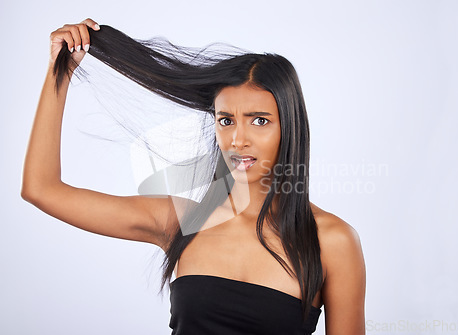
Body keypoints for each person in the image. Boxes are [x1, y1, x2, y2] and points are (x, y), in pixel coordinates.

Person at [21, 18, 366, 334]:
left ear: (288, 127)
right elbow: (42, 189)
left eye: (259, 120)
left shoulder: (332, 242)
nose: (237, 139)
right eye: (226, 120)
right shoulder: (182, 221)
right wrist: (60, 72)